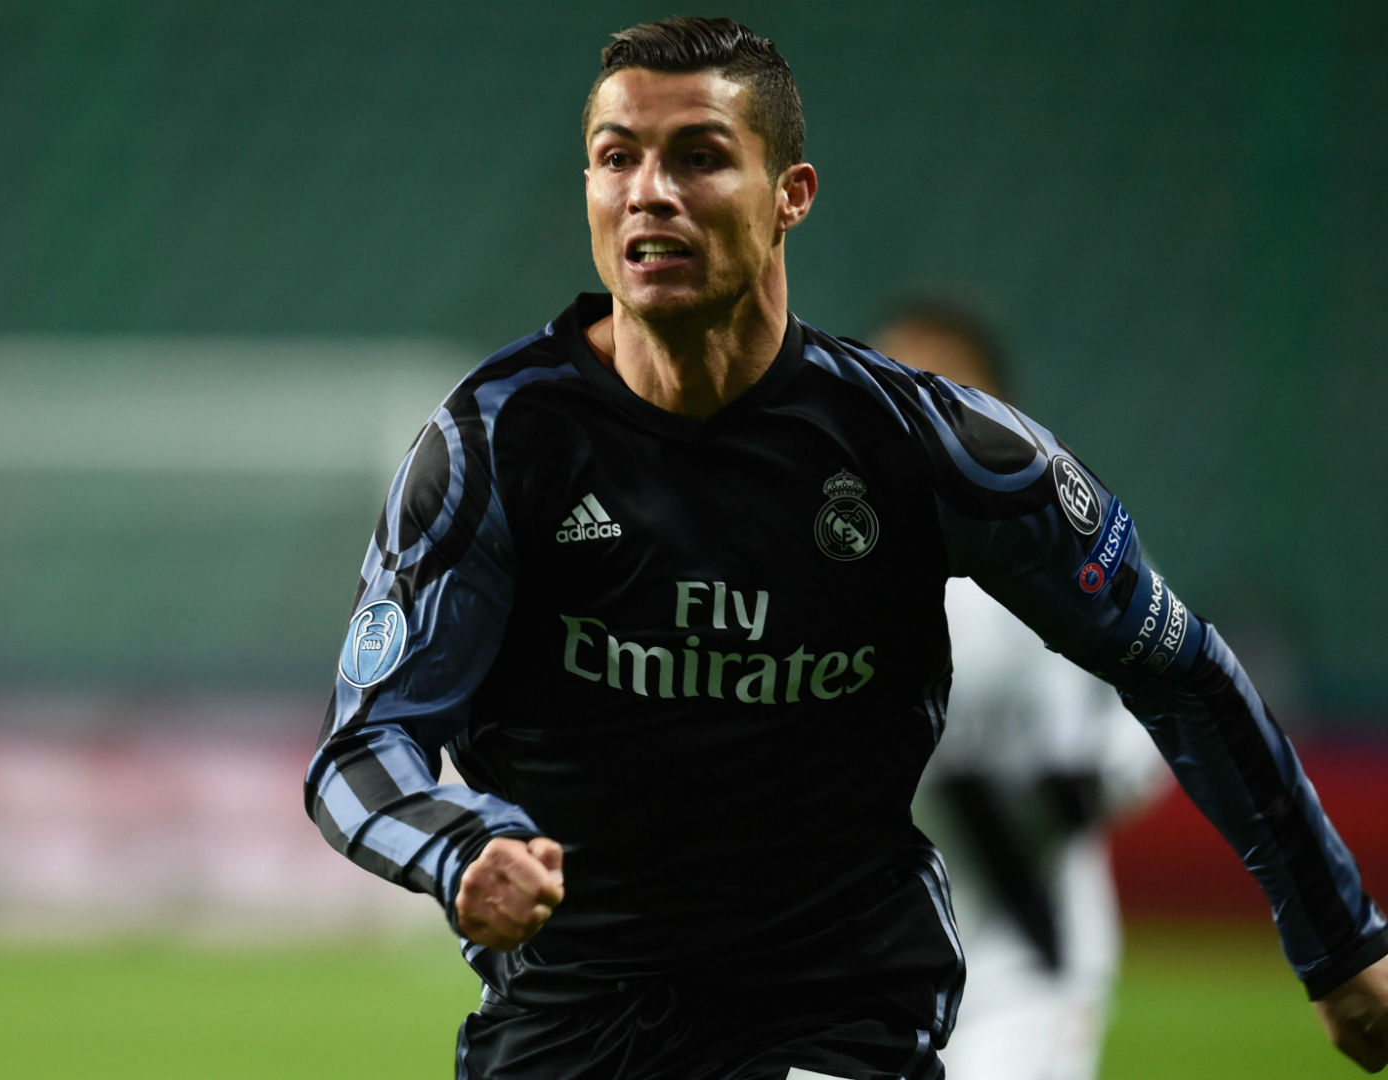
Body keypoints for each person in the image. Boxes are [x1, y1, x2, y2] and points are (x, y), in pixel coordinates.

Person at [304, 17, 1388, 1079]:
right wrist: (459, 847)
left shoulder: (931, 450)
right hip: (570, 1020)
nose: (650, 191)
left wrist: (1338, 940)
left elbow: (1179, 668)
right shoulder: (492, 449)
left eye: (700, 157)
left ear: (792, 195)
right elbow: (359, 750)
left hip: (837, 1010)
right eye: (617, 157)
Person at [879, 302, 1170, 1080]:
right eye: (891, 386)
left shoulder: (1059, 555)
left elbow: (1145, 722)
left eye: (941, 388)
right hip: (871, 969)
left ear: (998, 411)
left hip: (1027, 966)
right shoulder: (831, 559)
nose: (913, 414)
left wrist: (1067, 785)